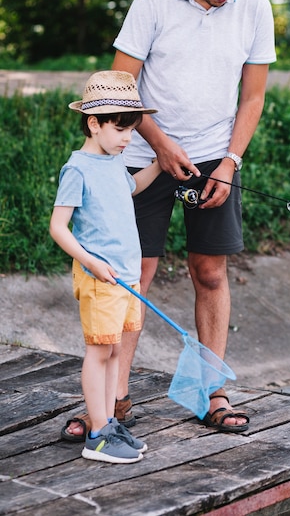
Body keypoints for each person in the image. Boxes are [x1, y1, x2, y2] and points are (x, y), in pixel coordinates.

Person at [63, 0, 276, 437]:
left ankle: (213, 393)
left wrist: (229, 162)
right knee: (132, 278)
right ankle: (111, 401)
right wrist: (158, 145)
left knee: (210, 274)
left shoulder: (254, 6)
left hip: (213, 160)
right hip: (141, 156)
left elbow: (252, 97)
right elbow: (120, 87)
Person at [50, 70, 161, 463]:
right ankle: (97, 434)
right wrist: (91, 261)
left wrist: (161, 164)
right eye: (120, 128)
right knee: (99, 351)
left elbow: (133, 187)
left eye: (131, 129)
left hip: (125, 277)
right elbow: (57, 227)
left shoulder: (116, 161)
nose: (128, 138)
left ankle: (110, 422)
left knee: (114, 350)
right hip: (100, 277)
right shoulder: (77, 168)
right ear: (94, 123)